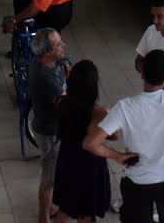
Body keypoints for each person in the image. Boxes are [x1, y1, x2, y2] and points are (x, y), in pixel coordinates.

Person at [84, 49, 164, 223]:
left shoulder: (125, 108)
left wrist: (118, 156)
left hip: (138, 182)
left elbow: (90, 143)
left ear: (142, 73)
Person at [53, 60, 112, 222]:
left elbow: (66, 96)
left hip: (68, 160)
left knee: (65, 208)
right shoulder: (100, 112)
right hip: (90, 162)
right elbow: (115, 136)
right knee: (87, 211)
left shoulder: (61, 103)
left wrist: (67, 83)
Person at [27, 28, 69, 223]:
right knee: (49, 178)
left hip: (47, 126)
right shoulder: (45, 77)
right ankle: (43, 217)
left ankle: (51, 206)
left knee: (51, 170)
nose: (63, 46)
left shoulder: (46, 63)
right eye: (58, 45)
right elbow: (66, 104)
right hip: (49, 132)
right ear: (46, 53)